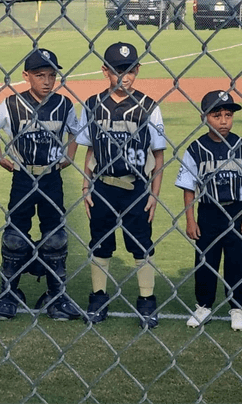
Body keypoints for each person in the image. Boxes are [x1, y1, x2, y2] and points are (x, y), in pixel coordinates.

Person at [0, 48, 84, 321]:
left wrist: (69, 156)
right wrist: (0, 155)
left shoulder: (63, 105)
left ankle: (55, 294)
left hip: (52, 177)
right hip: (23, 177)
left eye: (52, 75)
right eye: (40, 75)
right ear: (26, 76)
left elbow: (77, 131)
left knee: (55, 238)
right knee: (15, 237)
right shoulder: (11, 105)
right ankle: (10, 292)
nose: (47, 81)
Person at [75, 42, 168, 328]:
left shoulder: (149, 107)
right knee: (100, 243)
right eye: (118, 71)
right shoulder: (92, 105)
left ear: (137, 70)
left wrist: (154, 194)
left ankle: (147, 301)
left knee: (141, 245)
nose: (124, 77)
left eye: (130, 70)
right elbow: (89, 149)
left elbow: (158, 155)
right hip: (102, 186)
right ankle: (98, 298)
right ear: (106, 71)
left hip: (137, 187)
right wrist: (86, 186)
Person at [176, 90, 242, 331]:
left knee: (236, 261)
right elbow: (189, 188)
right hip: (208, 211)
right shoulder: (195, 149)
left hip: (235, 211)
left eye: (228, 115)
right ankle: (203, 305)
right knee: (206, 261)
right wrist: (190, 220)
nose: (224, 121)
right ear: (205, 118)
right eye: (217, 115)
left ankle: (237, 308)